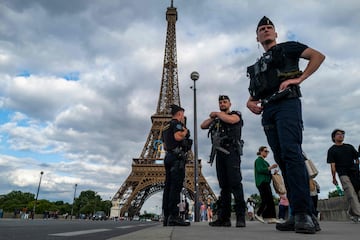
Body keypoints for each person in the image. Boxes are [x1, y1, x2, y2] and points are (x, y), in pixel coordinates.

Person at [246, 16, 325, 234]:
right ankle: (298, 213)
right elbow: (254, 95)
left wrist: (299, 79)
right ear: (257, 36)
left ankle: (303, 214)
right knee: (282, 159)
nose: (266, 30)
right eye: (262, 28)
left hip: (287, 105)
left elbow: (317, 56)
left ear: (275, 33)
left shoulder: (289, 47)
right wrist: (249, 102)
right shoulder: (257, 66)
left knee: (292, 154)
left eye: (269, 27)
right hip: (268, 111)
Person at [201, 95, 246, 228]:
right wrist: (213, 117)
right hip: (219, 154)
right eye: (220, 102)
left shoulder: (235, 114)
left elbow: (232, 120)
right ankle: (224, 218)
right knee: (224, 187)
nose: (222, 103)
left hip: (231, 152)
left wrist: (218, 114)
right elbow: (203, 126)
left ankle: (240, 217)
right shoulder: (217, 119)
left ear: (230, 104)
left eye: (225, 102)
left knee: (236, 184)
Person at [162, 104, 192, 227]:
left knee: (168, 188)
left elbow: (164, 145)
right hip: (176, 158)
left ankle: (167, 216)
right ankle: (174, 216)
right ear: (179, 114)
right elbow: (178, 136)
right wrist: (185, 131)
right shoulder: (177, 124)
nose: (183, 117)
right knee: (175, 188)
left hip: (168, 157)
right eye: (183, 114)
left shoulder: (165, 127)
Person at [327, 129, 360, 222]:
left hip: (354, 173)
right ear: (334, 137)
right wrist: (334, 178)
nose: (341, 135)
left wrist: (357, 167)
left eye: (342, 134)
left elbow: (357, 158)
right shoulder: (332, 150)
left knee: (356, 194)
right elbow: (333, 166)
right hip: (343, 174)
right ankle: (358, 213)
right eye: (338, 134)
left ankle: (351, 212)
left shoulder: (349, 147)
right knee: (351, 193)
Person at [254, 146, 280, 224]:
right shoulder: (259, 160)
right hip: (262, 182)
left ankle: (270, 217)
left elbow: (266, 172)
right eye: (265, 151)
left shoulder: (264, 161)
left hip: (265, 182)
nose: (267, 153)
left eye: (267, 151)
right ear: (261, 151)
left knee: (269, 200)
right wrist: (270, 167)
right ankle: (259, 214)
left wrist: (273, 173)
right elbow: (260, 170)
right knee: (266, 199)